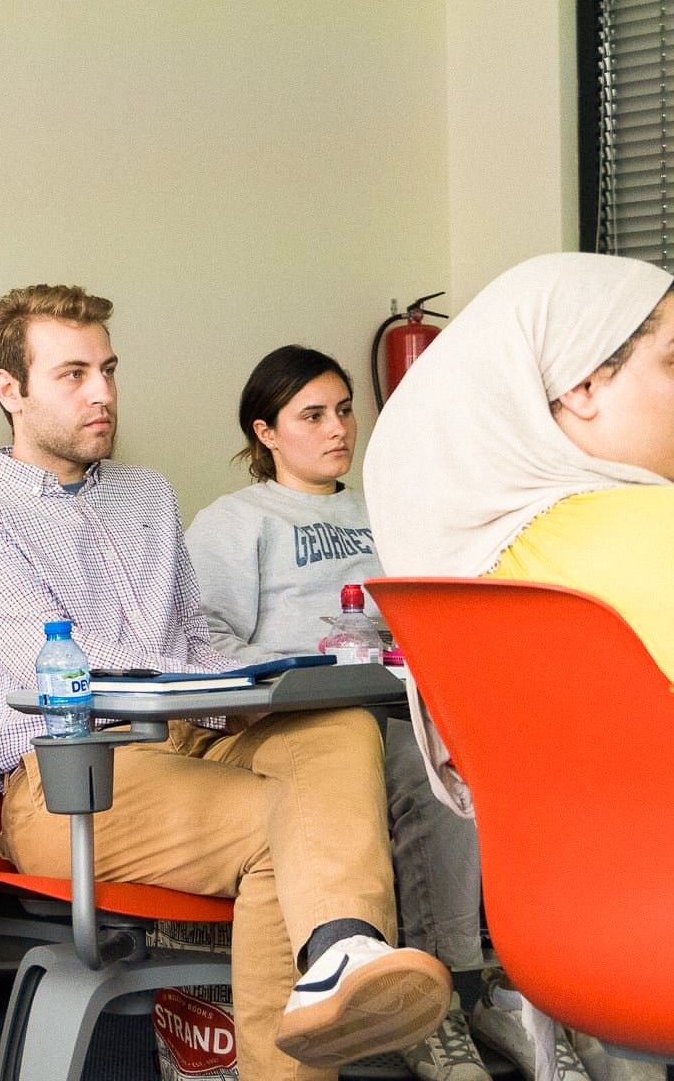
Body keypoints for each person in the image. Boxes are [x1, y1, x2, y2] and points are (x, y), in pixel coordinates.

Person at [0, 284, 451, 1081]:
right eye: (72, 374)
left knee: (341, 726)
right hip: (72, 779)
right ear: (11, 391)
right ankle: (335, 965)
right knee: (288, 822)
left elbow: (195, 637)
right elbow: (70, 664)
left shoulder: (149, 495)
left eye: (108, 369)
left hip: (192, 742)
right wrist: (209, 685)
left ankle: (341, 947)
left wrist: (260, 678)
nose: (102, 393)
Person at [365, 251, 674, 1081]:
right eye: (673, 362)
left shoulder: (465, 574)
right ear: (580, 385)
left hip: (562, 948)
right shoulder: (647, 531)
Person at [185, 346, 487, 1081]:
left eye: (345, 410)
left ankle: (494, 989)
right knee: (420, 765)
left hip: (394, 699)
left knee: (464, 751)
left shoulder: (382, 509)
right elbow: (207, 641)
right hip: (294, 717)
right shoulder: (237, 520)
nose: (338, 429)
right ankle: (441, 1002)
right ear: (266, 432)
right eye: (312, 415)